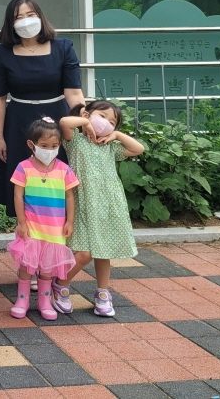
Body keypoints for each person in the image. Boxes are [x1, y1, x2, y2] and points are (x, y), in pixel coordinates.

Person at [0, 0, 86, 219]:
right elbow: (0, 99)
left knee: (59, 178)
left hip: (58, 121)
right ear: (10, 23)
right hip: (18, 123)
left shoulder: (63, 47)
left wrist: (85, 122)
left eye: (30, 14)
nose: (25, 20)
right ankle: (25, 230)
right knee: (22, 181)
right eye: (18, 17)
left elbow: (73, 93)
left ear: (40, 16)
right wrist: (0, 138)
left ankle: (60, 229)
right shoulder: (1, 53)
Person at [53, 101, 144, 318]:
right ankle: (61, 284)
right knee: (84, 253)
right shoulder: (75, 140)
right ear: (87, 114)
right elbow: (64, 122)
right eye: (102, 116)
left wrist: (116, 135)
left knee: (104, 251)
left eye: (112, 122)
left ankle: (103, 292)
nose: (106, 123)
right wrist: (86, 122)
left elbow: (138, 149)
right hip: (82, 203)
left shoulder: (110, 146)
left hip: (109, 204)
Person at [7, 118, 78, 322]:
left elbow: (70, 196)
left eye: (54, 146)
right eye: (44, 146)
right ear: (32, 144)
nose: (49, 150)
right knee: (26, 267)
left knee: (47, 269)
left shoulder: (64, 169)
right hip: (31, 227)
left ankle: (44, 302)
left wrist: (69, 221)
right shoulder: (24, 167)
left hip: (54, 230)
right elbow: (18, 195)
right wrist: (21, 222)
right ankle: (22, 301)